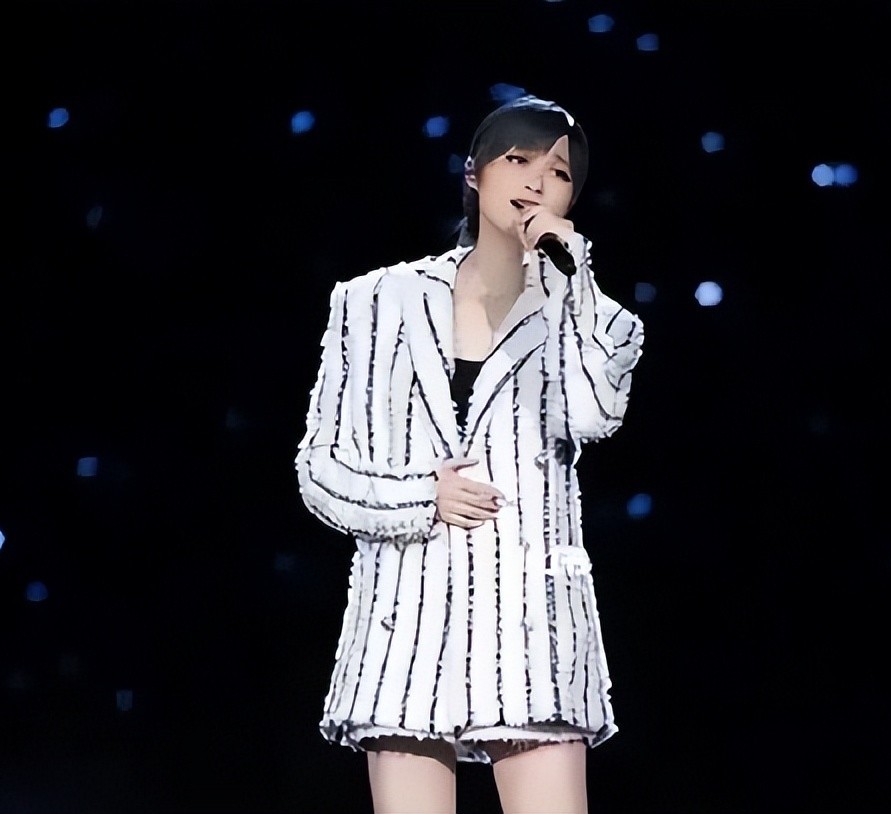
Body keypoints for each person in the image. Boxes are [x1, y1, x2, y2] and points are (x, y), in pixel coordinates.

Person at [294, 93, 644, 814]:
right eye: (518, 160)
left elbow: (593, 414)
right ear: (474, 172)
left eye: (559, 173)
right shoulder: (376, 301)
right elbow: (320, 469)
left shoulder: (595, 320)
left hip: (533, 632)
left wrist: (572, 280)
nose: (537, 182)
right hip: (406, 627)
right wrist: (423, 497)